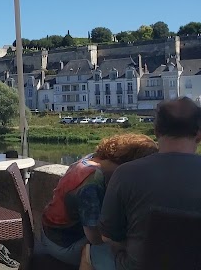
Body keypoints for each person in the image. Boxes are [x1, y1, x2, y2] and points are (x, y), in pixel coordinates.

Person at [81, 97, 201, 270]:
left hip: (138, 266)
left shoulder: (125, 174)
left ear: (156, 130)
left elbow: (107, 236)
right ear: (199, 134)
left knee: (90, 253)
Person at [40, 134, 157, 266]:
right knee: (130, 257)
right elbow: (95, 238)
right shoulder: (91, 186)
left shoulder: (91, 159)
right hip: (63, 245)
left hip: (50, 233)